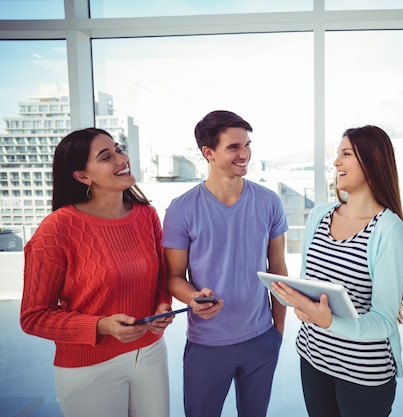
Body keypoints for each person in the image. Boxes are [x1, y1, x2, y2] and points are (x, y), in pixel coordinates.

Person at [20, 128, 173, 417]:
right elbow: (33, 317)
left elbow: (161, 277)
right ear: (82, 176)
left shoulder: (145, 214)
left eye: (118, 149)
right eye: (106, 156)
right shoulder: (57, 229)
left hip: (151, 353)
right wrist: (101, 325)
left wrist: (162, 305)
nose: (121, 158)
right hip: (89, 367)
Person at [272, 125, 403, 417]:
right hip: (313, 357)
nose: (336, 163)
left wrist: (327, 322)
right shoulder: (321, 215)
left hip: (363, 372)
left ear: (372, 162)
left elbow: (385, 321)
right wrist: (294, 298)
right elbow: (309, 285)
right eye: (337, 154)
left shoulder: (389, 229)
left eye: (345, 154)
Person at [163, 110, 288, 417]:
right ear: (209, 153)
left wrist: (278, 332)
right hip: (207, 344)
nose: (244, 154)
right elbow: (174, 276)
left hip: (261, 339)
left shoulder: (269, 201)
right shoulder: (181, 209)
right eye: (234, 147)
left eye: (247, 145)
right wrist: (193, 297)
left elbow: (279, 270)